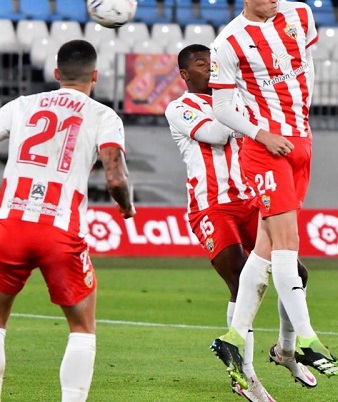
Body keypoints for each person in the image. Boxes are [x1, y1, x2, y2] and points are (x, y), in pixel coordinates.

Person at [207, 0, 338, 391]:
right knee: (288, 241)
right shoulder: (228, 42)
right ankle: (305, 340)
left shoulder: (300, 15)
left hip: (300, 142)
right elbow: (221, 108)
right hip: (264, 149)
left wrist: (298, 121)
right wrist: (261, 133)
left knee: (267, 247)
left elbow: (306, 67)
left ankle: (234, 337)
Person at [165, 45, 316, 401]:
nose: (210, 69)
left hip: (251, 201)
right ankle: (244, 375)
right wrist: (247, 120)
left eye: (213, 64)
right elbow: (216, 135)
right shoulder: (180, 107)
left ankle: (285, 351)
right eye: (202, 65)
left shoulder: (238, 101)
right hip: (212, 207)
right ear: (186, 74)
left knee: (297, 274)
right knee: (238, 273)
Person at [0, 39, 135, 402]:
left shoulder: (22, 105)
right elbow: (116, 178)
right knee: (81, 327)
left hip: (8, 224)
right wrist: (126, 207)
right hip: (60, 230)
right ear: (95, 76)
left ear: (56, 74)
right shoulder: (103, 115)